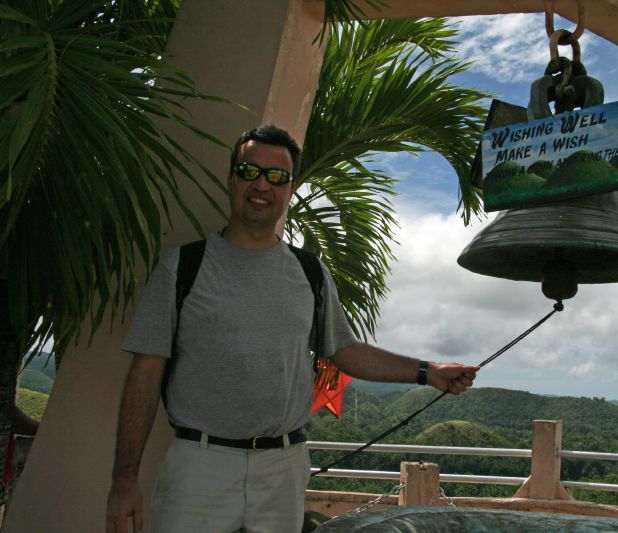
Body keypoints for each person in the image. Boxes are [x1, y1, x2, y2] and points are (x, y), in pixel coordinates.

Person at [105, 124, 479, 533]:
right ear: (231, 178)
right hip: (199, 465)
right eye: (250, 172)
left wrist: (429, 372)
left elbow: (344, 350)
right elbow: (145, 373)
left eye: (277, 176)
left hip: (282, 468)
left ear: (290, 187)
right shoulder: (182, 269)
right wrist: (124, 481)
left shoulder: (310, 272)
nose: (261, 185)